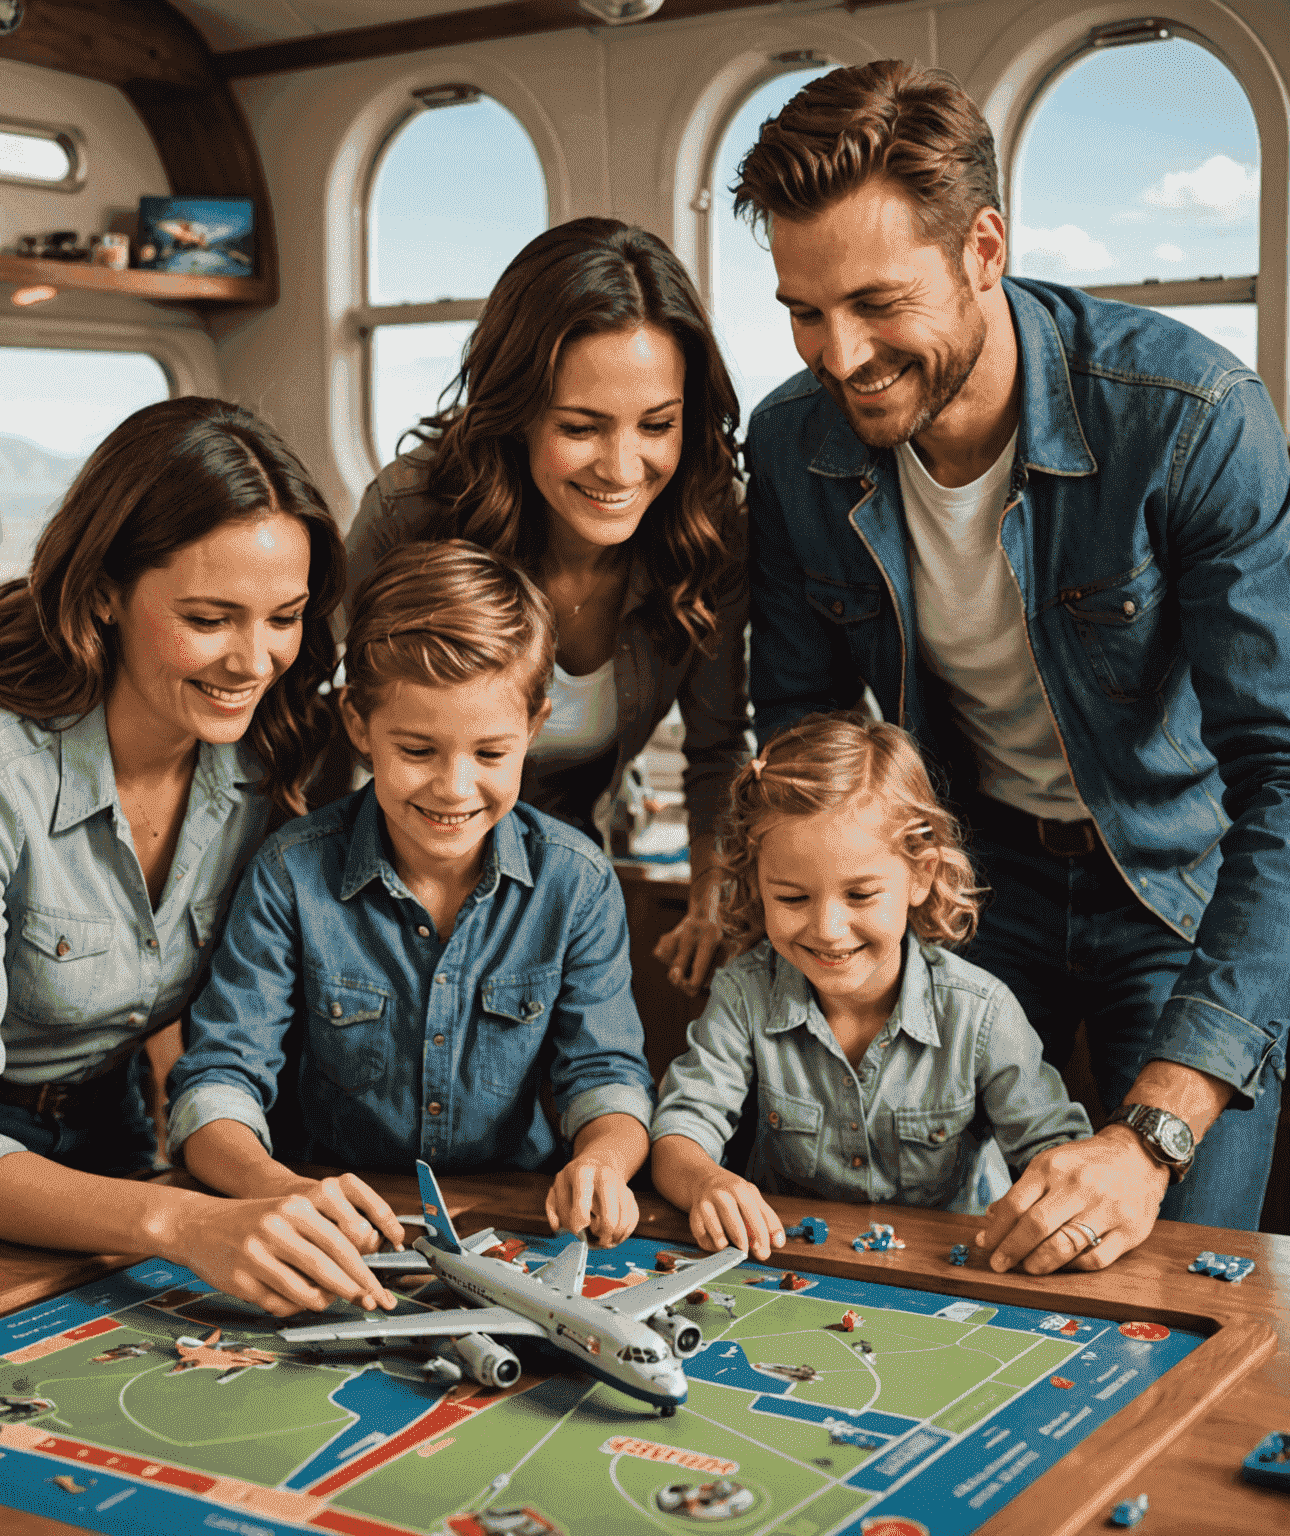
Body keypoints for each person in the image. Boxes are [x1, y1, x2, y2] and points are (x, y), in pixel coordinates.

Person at [736, 61, 1290, 1270]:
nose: (840, 356)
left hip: (1179, 892)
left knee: (1181, 1282)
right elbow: (801, 723)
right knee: (939, 1259)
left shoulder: (1195, 418)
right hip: (967, 877)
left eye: (879, 303)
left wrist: (1151, 1134)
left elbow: (1286, 779)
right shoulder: (788, 444)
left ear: (984, 245)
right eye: (803, 310)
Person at [0, 397, 408, 1319]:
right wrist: (188, 1223)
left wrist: (265, 1185)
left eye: (284, 617)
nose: (255, 660)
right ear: (104, 593)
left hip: (108, 1136)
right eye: (210, 618)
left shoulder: (276, 751)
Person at [166, 540, 655, 1244]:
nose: (455, 788)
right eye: (418, 751)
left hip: (517, 1222)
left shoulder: (576, 882)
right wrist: (282, 1192)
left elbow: (606, 1073)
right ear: (360, 726)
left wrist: (604, 1160)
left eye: (490, 753)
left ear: (534, 728)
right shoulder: (289, 874)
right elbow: (218, 1082)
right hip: (327, 1219)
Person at [346, 217, 750, 998]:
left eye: (657, 426)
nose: (622, 467)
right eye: (580, 427)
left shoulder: (712, 520)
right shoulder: (410, 511)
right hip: (390, 883)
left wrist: (712, 900)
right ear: (518, 409)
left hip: (563, 883)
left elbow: (717, 747)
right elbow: (322, 729)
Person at [651, 714, 1090, 1257]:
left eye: (860, 896)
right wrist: (708, 1183)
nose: (828, 930)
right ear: (756, 883)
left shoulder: (982, 1014)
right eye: (791, 898)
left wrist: (1055, 1217)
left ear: (921, 875)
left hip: (950, 1282)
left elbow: (1058, 1153)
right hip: (797, 1274)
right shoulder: (744, 995)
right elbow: (679, 1130)